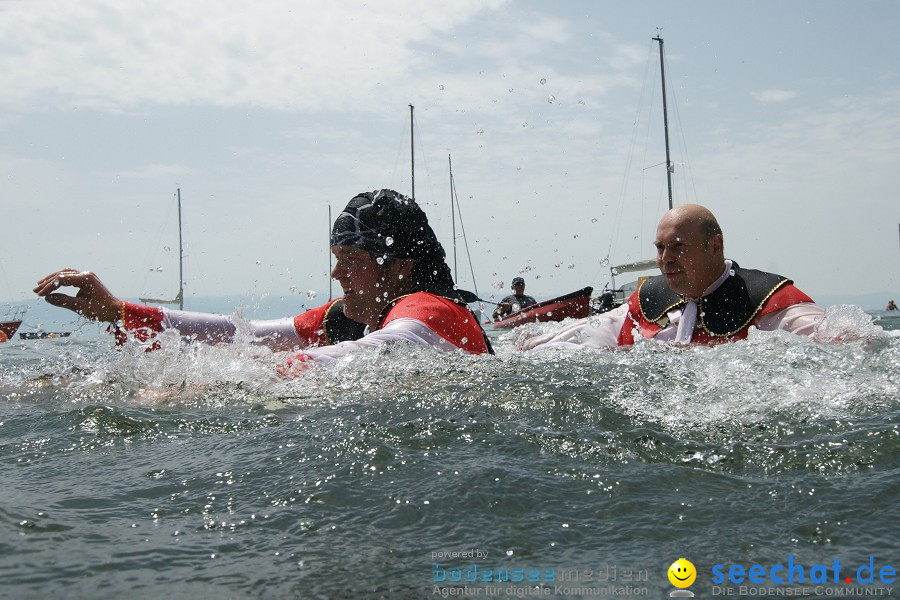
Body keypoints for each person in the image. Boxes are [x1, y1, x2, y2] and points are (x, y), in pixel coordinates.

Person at [35, 189, 492, 366]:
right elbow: (244, 337)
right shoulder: (346, 319)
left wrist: (238, 387)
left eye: (351, 259)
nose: (336, 273)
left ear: (400, 268)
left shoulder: (431, 310)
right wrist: (119, 312)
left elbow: (385, 351)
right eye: (336, 257)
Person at [521, 204, 824, 350]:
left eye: (679, 247)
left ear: (715, 246)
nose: (665, 259)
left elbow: (841, 343)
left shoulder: (769, 300)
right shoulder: (650, 298)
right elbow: (594, 331)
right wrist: (530, 350)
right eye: (661, 248)